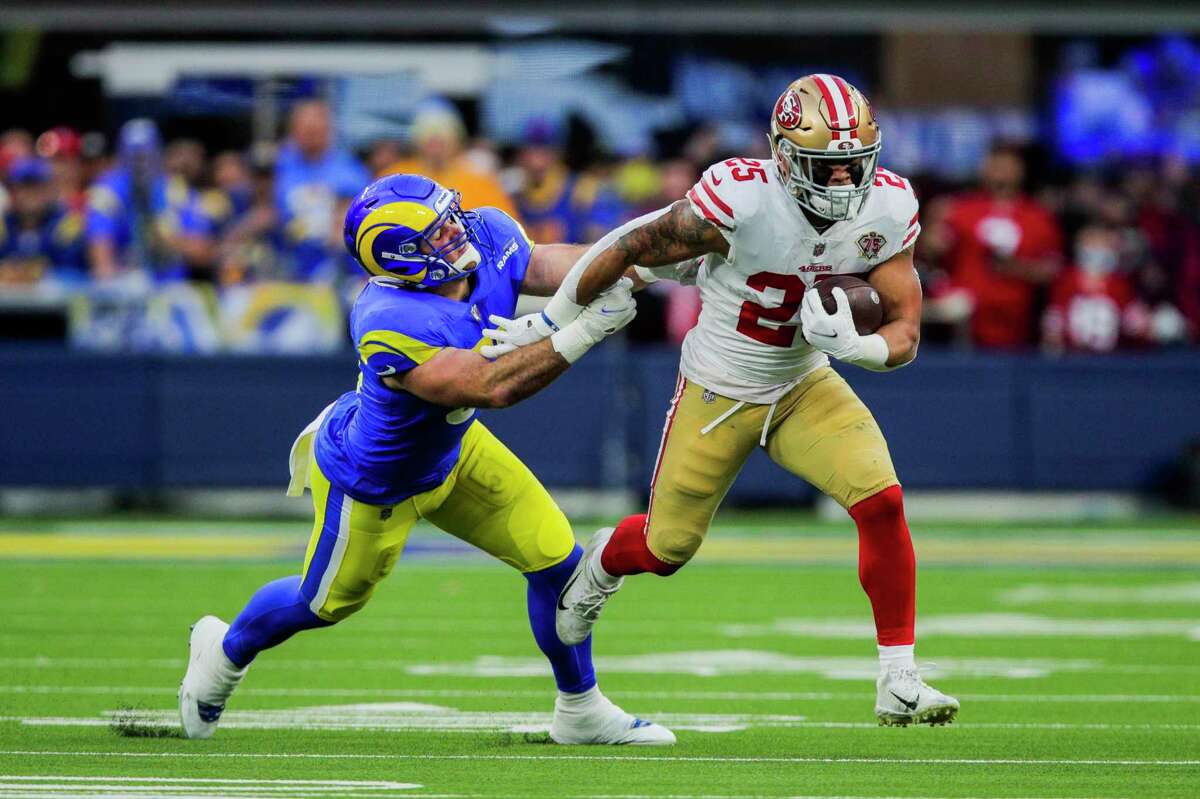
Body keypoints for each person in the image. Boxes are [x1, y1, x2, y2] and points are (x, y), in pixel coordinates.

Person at [486, 74, 959, 727]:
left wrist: (860, 348)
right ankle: (599, 564)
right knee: (665, 547)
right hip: (718, 386)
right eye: (829, 168)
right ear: (787, 157)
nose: (846, 184)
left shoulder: (888, 206)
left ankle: (898, 676)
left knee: (882, 500)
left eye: (856, 167)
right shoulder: (739, 199)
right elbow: (627, 247)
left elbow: (905, 328)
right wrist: (549, 323)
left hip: (802, 382)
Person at [178, 173, 674, 746]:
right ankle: (224, 651)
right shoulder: (388, 318)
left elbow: (559, 266)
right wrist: (585, 332)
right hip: (379, 479)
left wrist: (656, 261)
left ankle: (580, 708)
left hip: (456, 450)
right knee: (324, 601)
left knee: (556, 560)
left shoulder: (485, 235)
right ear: (403, 259)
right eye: (438, 233)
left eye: (450, 217)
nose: (457, 233)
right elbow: (489, 387)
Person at [933, 145, 1063, 349]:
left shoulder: (1039, 217)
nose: (1000, 171)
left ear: (1020, 170)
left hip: (1018, 323)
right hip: (966, 324)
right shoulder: (960, 211)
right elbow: (934, 251)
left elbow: (1053, 270)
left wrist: (1016, 268)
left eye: (1007, 165)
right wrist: (933, 230)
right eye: (995, 165)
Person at [274, 100, 368, 281]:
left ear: (328, 131)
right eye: (305, 130)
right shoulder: (281, 164)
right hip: (287, 255)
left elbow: (356, 220)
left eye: (315, 130)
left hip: (336, 260)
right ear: (294, 131)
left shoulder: (349, 170)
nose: (310, 136)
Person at [381, 99, 517, 218]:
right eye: (429, 139)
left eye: (442, 139)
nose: (436, 148)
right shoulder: (395, 179)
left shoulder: (480, 182)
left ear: (457, 139)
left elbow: (504, 229)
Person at [0, 157, 86, 285]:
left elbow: (76, 275)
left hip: (56, 303)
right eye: (24, 187)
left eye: (37, 187)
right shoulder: (3, 227)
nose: (30, 194)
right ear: (12, 192)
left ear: (50, 190)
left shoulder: (67, 226)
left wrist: (32, 277)